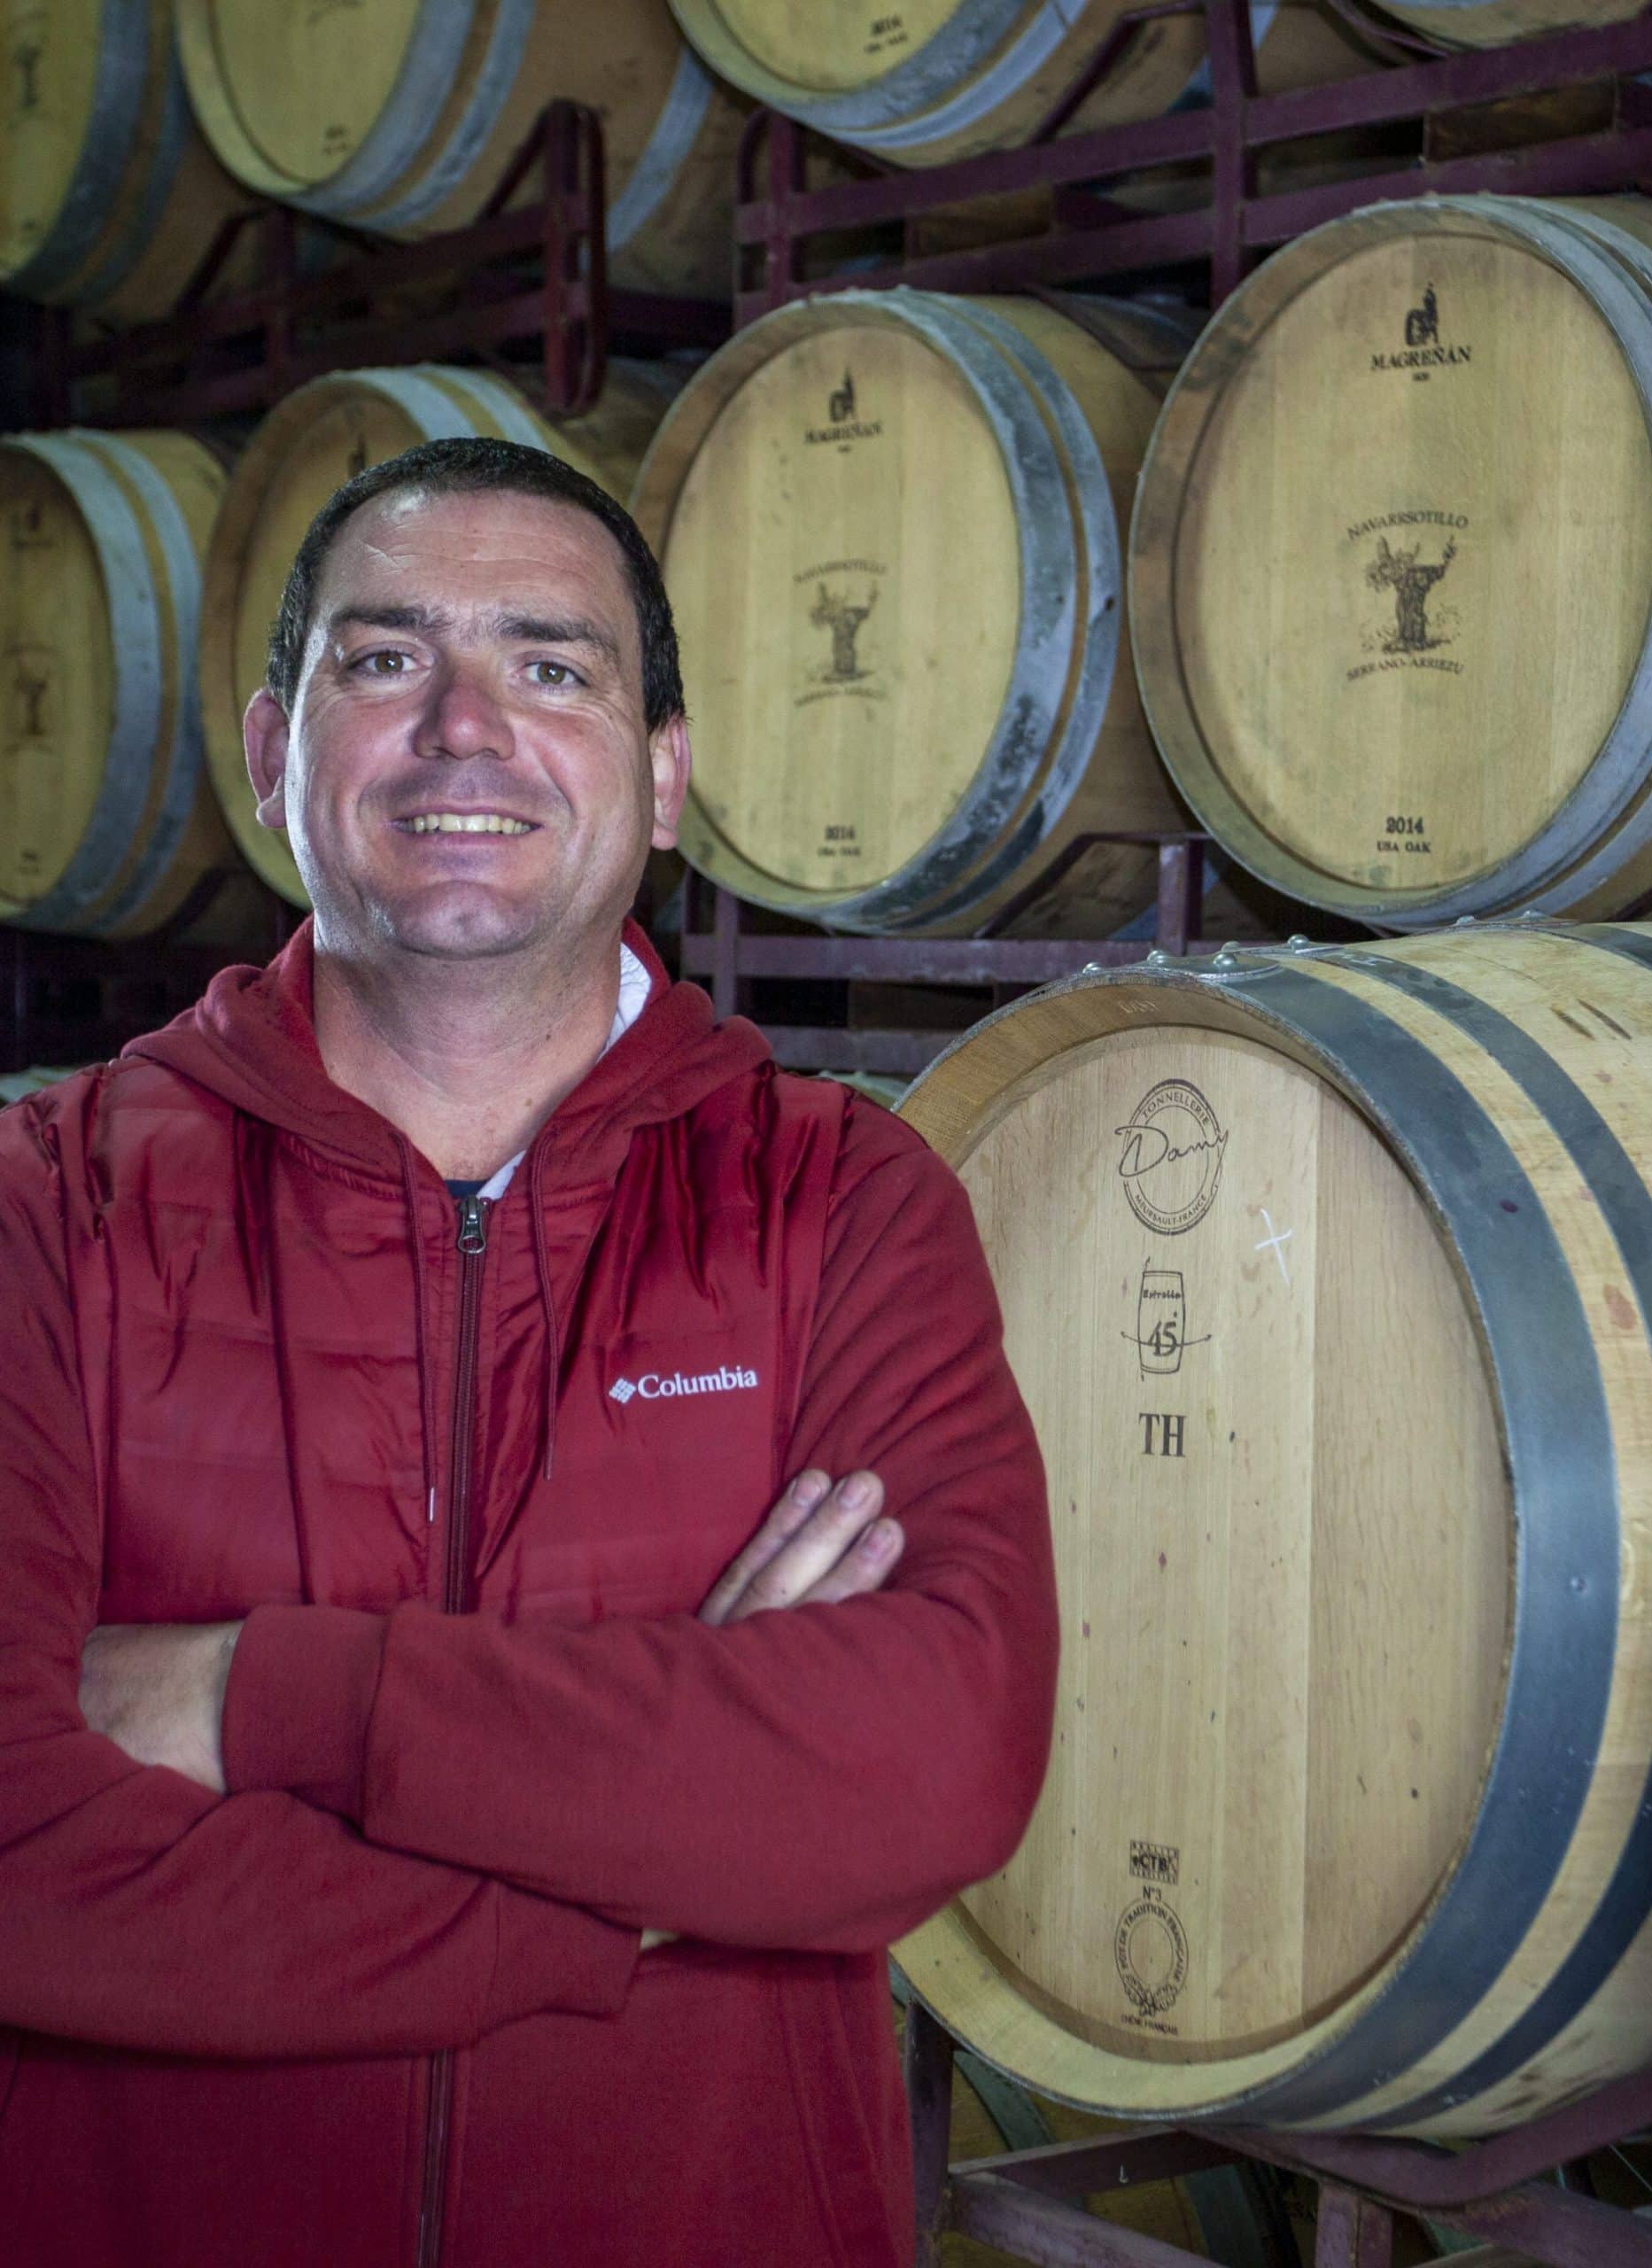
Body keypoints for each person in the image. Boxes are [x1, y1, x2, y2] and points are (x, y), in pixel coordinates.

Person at [0, 437, 1058, 2267]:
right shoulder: (45, 1202)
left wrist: (263, 1696)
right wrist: (632, 1880)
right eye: (386, 658)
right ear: (273, 752)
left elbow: (931, 1760)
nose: (465, 726)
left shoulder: (838, 1198)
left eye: (551, 667)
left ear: (659, 781)